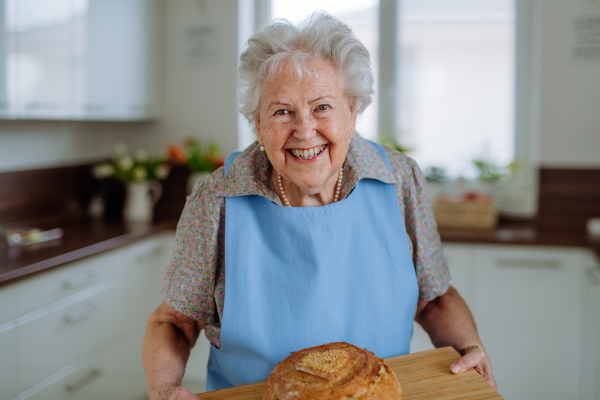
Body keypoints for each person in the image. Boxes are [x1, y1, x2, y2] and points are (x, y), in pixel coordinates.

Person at [142, 12, 497, 399]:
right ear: (258, 125)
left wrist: (470, 349)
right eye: (282, 111)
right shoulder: (217, 200)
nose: (304, 130)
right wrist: (162, 388)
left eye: (322, 107)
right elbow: (174, 322)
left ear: (352, 112)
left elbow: (436, 297)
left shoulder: (398, 179)